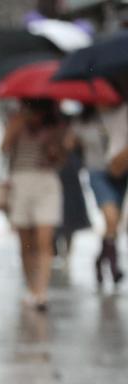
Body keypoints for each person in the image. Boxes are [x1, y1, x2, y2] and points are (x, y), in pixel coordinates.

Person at [2, 99, 67, 312]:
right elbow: (4, 148)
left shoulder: (57, 125)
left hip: (46, 180)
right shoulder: (17, 120)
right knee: (25, 241)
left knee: (44, 239)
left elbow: (61, 158)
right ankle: (31, 287)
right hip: (20, 180)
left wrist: (54, 148)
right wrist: (17, 126)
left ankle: (41, 291)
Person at [69, 104, 123, 284]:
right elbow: (68, 145)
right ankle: (114, 267)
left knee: (114, 224)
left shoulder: (121, 113)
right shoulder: (82, 121)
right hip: (96, 172)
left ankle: (101, 260)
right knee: (111, 218)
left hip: (120, 171)